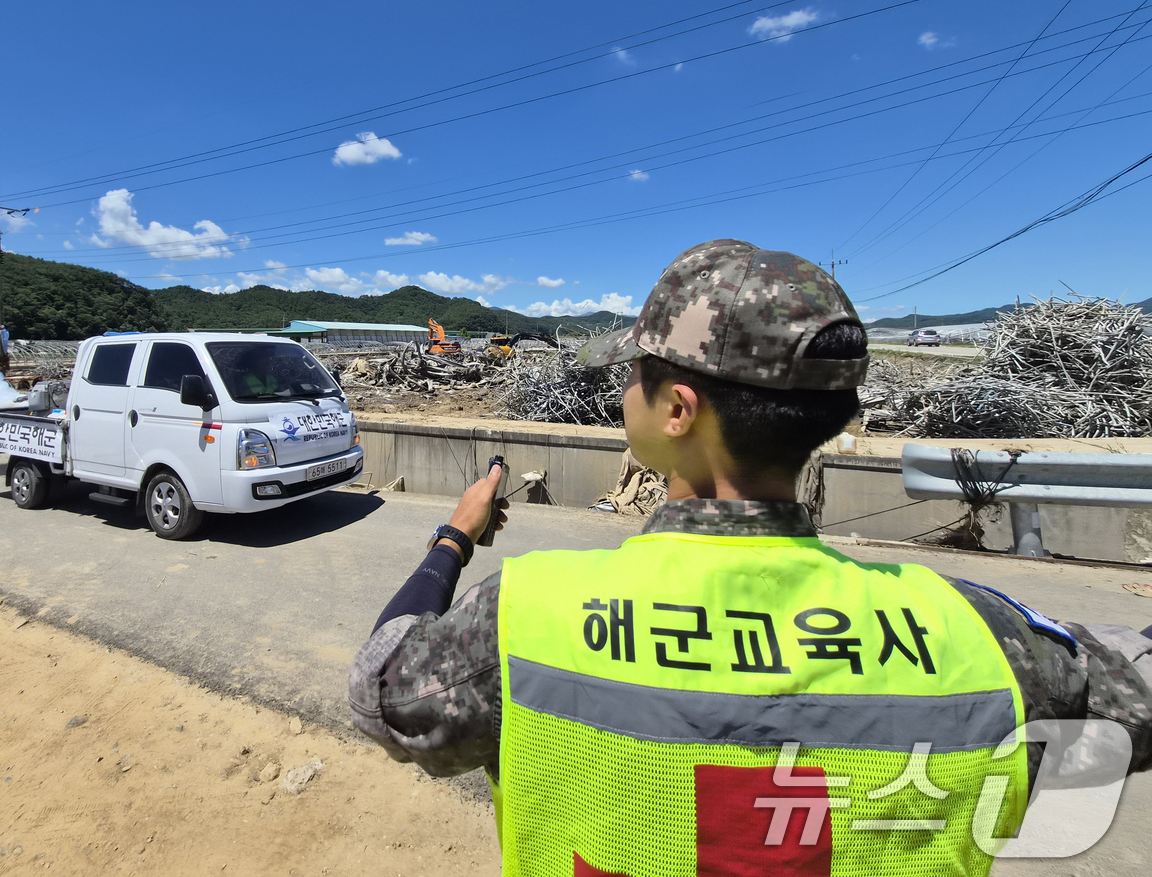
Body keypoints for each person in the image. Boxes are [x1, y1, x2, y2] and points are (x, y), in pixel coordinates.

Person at [350, 238, 1152, 876]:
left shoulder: (524, 615)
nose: (622, 392)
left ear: (677, 409)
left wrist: (452, 540)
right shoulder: (983, 637)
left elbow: (380, 688)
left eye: (635, 376)